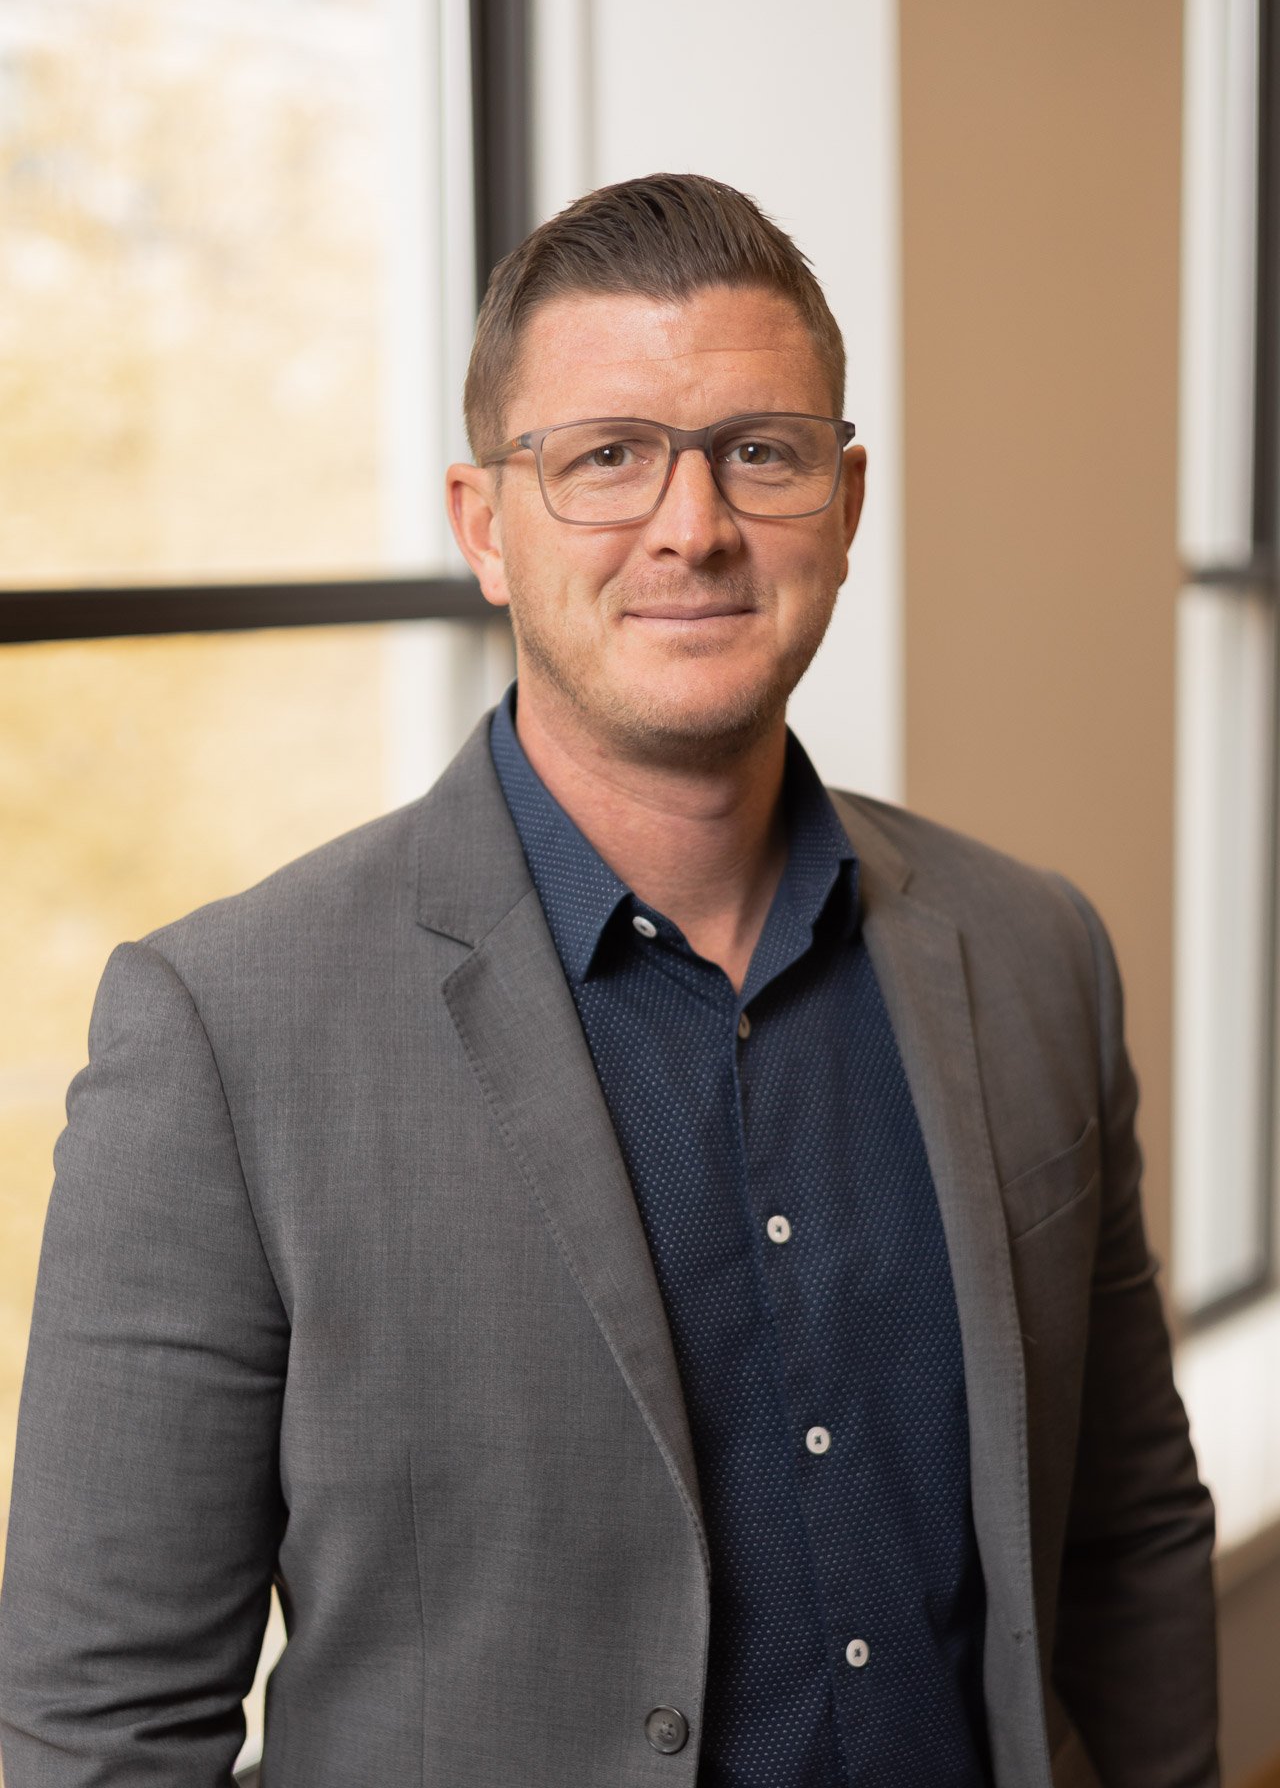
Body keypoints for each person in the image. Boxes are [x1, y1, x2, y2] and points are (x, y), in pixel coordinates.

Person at [0, 173, 1217, 1788]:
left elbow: (1127, 1532)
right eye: (605, 459)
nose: (692, 525)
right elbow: (102, 1728)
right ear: (482, 527)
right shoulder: (225, 1034)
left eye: (758, 453)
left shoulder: (1037, 950)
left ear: (845, 508)